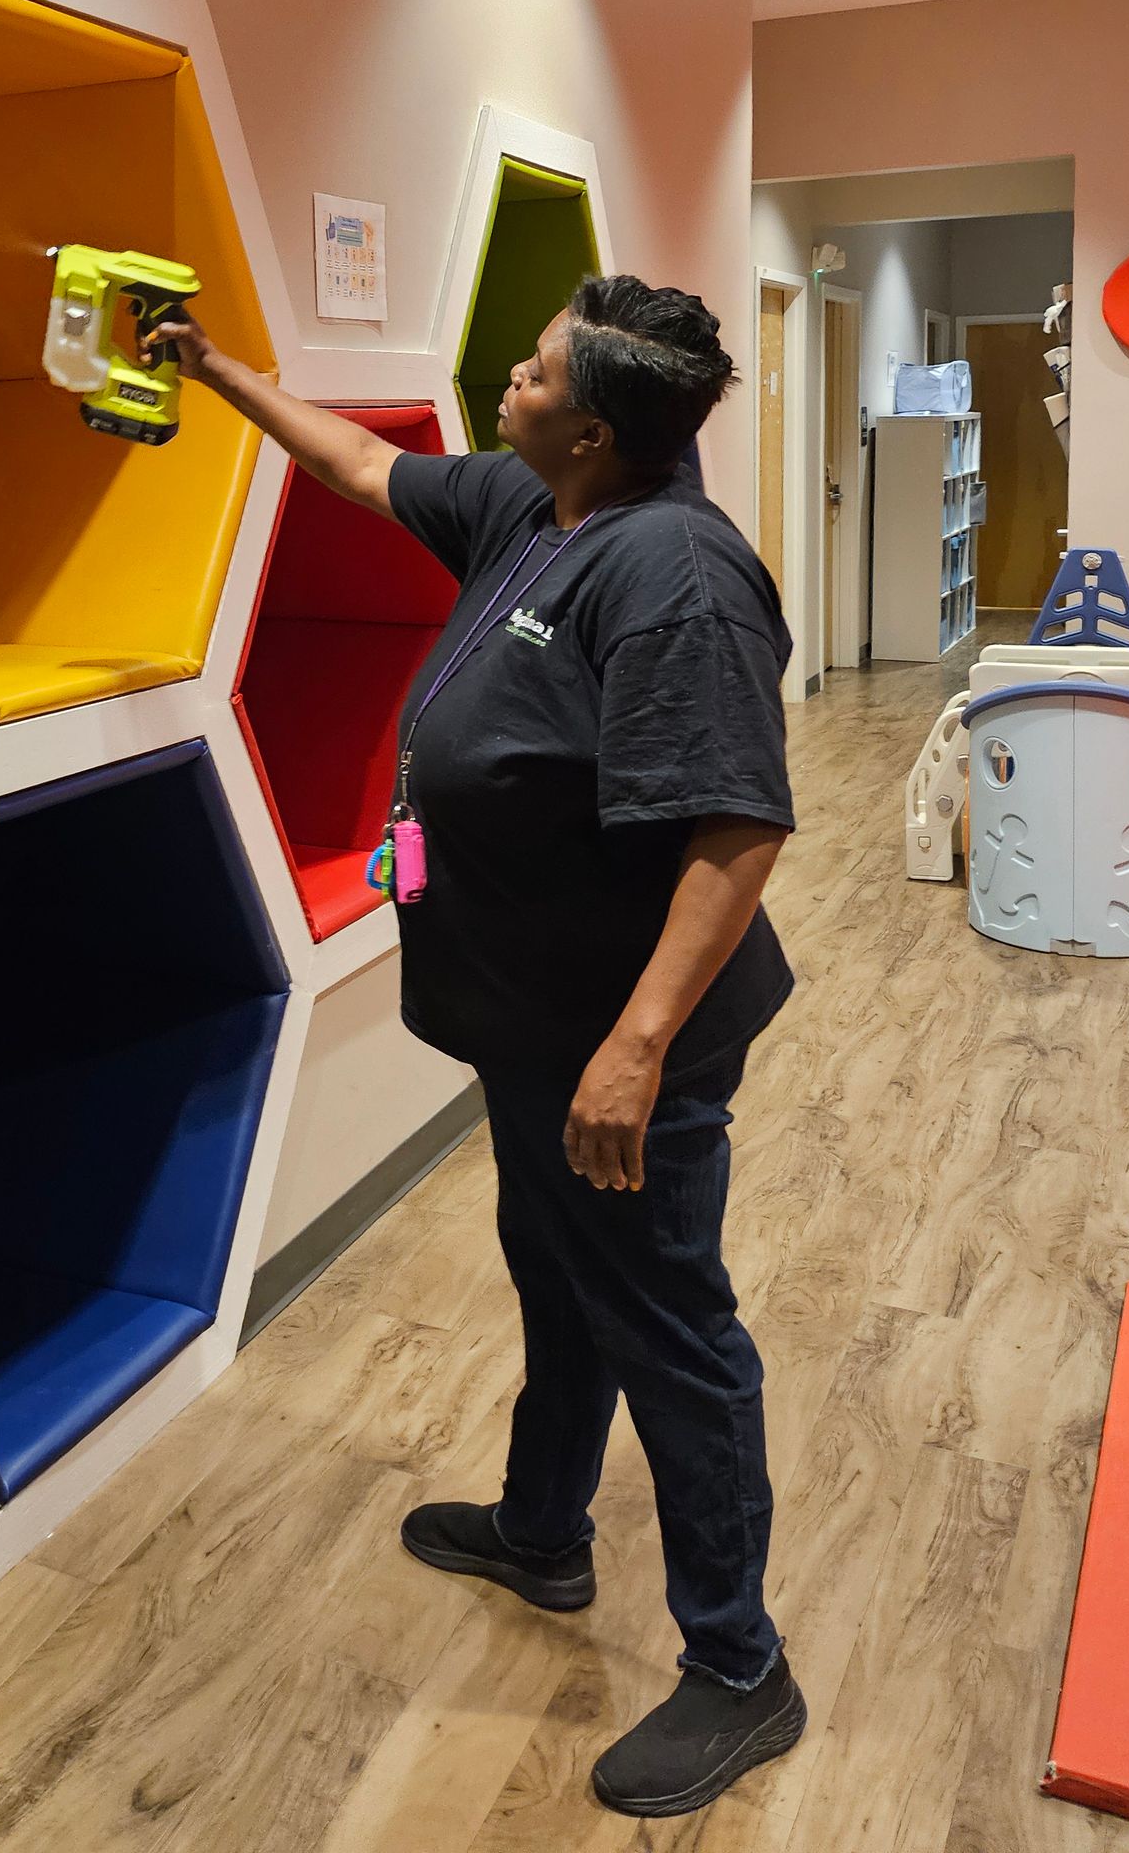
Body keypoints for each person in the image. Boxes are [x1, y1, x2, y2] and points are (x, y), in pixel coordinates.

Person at [148, 274, 802, 1821]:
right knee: (556, 1274)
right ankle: (544, 1529)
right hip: (531, 1025)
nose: (497, 382)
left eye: (523, 370)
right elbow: (359, 466)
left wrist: (636, 1050)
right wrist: (221, 367)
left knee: (671, 1331)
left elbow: (736, 830)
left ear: (585, 421)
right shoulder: (538, 500)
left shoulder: (676, 579)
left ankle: (739, 1667)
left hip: (621, 1050)